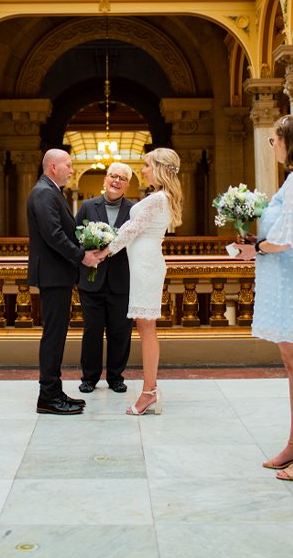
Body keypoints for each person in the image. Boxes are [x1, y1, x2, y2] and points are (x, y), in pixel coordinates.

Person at [234, 114, 293, 481]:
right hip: (281, 276)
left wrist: (255, 247)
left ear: (289, 141)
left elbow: (287, 236)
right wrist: (255, 246)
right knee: (291, 362)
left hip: (291, 277)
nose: (272, 147)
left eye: (274, 141)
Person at [98, 147, 182, 416]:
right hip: (143, 263)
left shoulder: (158, 198)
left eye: (146, 165)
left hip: (146, 265)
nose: (143, 170)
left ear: (158, 167)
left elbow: (130, 230)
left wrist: (102, 252)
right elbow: (130, 230)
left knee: (146, 327)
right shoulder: (158, 196)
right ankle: (150, 389)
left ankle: (149, 392)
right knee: (145, 326)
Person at [27, 148, 103, 415]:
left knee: (57, 334)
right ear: (53, 167)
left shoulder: (48, 190)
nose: (72, 170)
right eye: (68, 165)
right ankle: (48, 396)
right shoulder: (45, 193)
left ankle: (53, 391)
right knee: (53, 335)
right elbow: (54, 234)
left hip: (56, 274)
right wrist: (82, 256)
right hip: (53, 274)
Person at [74, 161, 134, 394]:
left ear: (127, 185)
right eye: (113, 176)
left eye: (122, 178)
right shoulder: (88, 206)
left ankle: (116, 377)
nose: (116, 181)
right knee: (92, 331)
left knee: (120, 331)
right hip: (91, 279)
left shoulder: (134, 210)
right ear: (105, 179)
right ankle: (89, 377)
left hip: (122, 279)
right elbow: (75, 235)